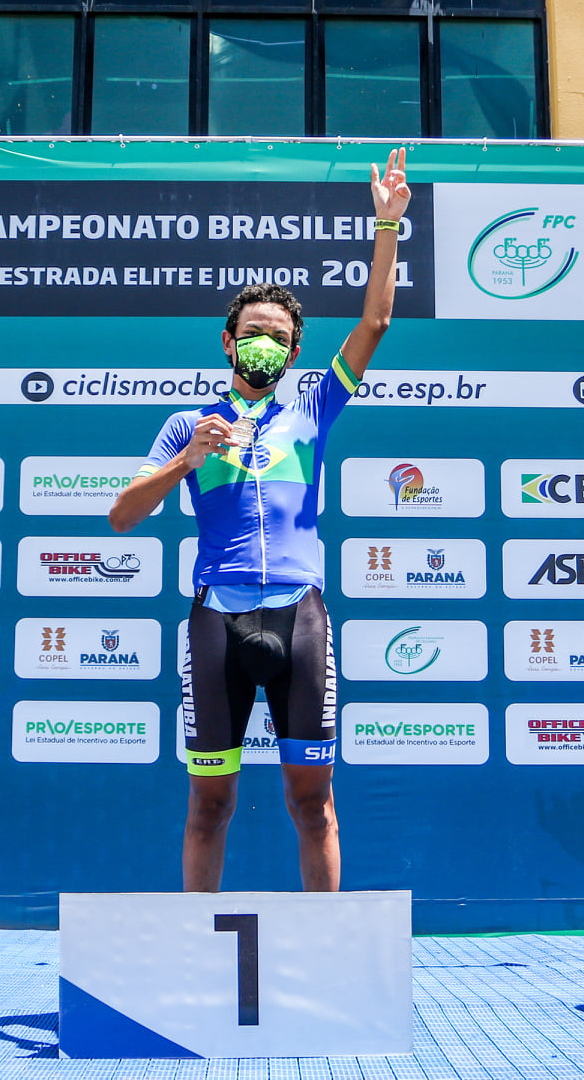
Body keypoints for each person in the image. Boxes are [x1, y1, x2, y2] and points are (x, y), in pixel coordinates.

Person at [110, 149, 412, 892]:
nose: (265, 342)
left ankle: (328, 951)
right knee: (209, 805)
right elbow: (122, 515)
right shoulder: (187, 423)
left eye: (278, 334)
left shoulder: (312, 408)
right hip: (217, 620)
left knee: (313, 806)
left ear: (295, 349)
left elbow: (374, 321)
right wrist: (185, 463)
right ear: (227, 340)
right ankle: (198, 950)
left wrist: (386, 227)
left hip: (300, 618)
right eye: (253, 330)